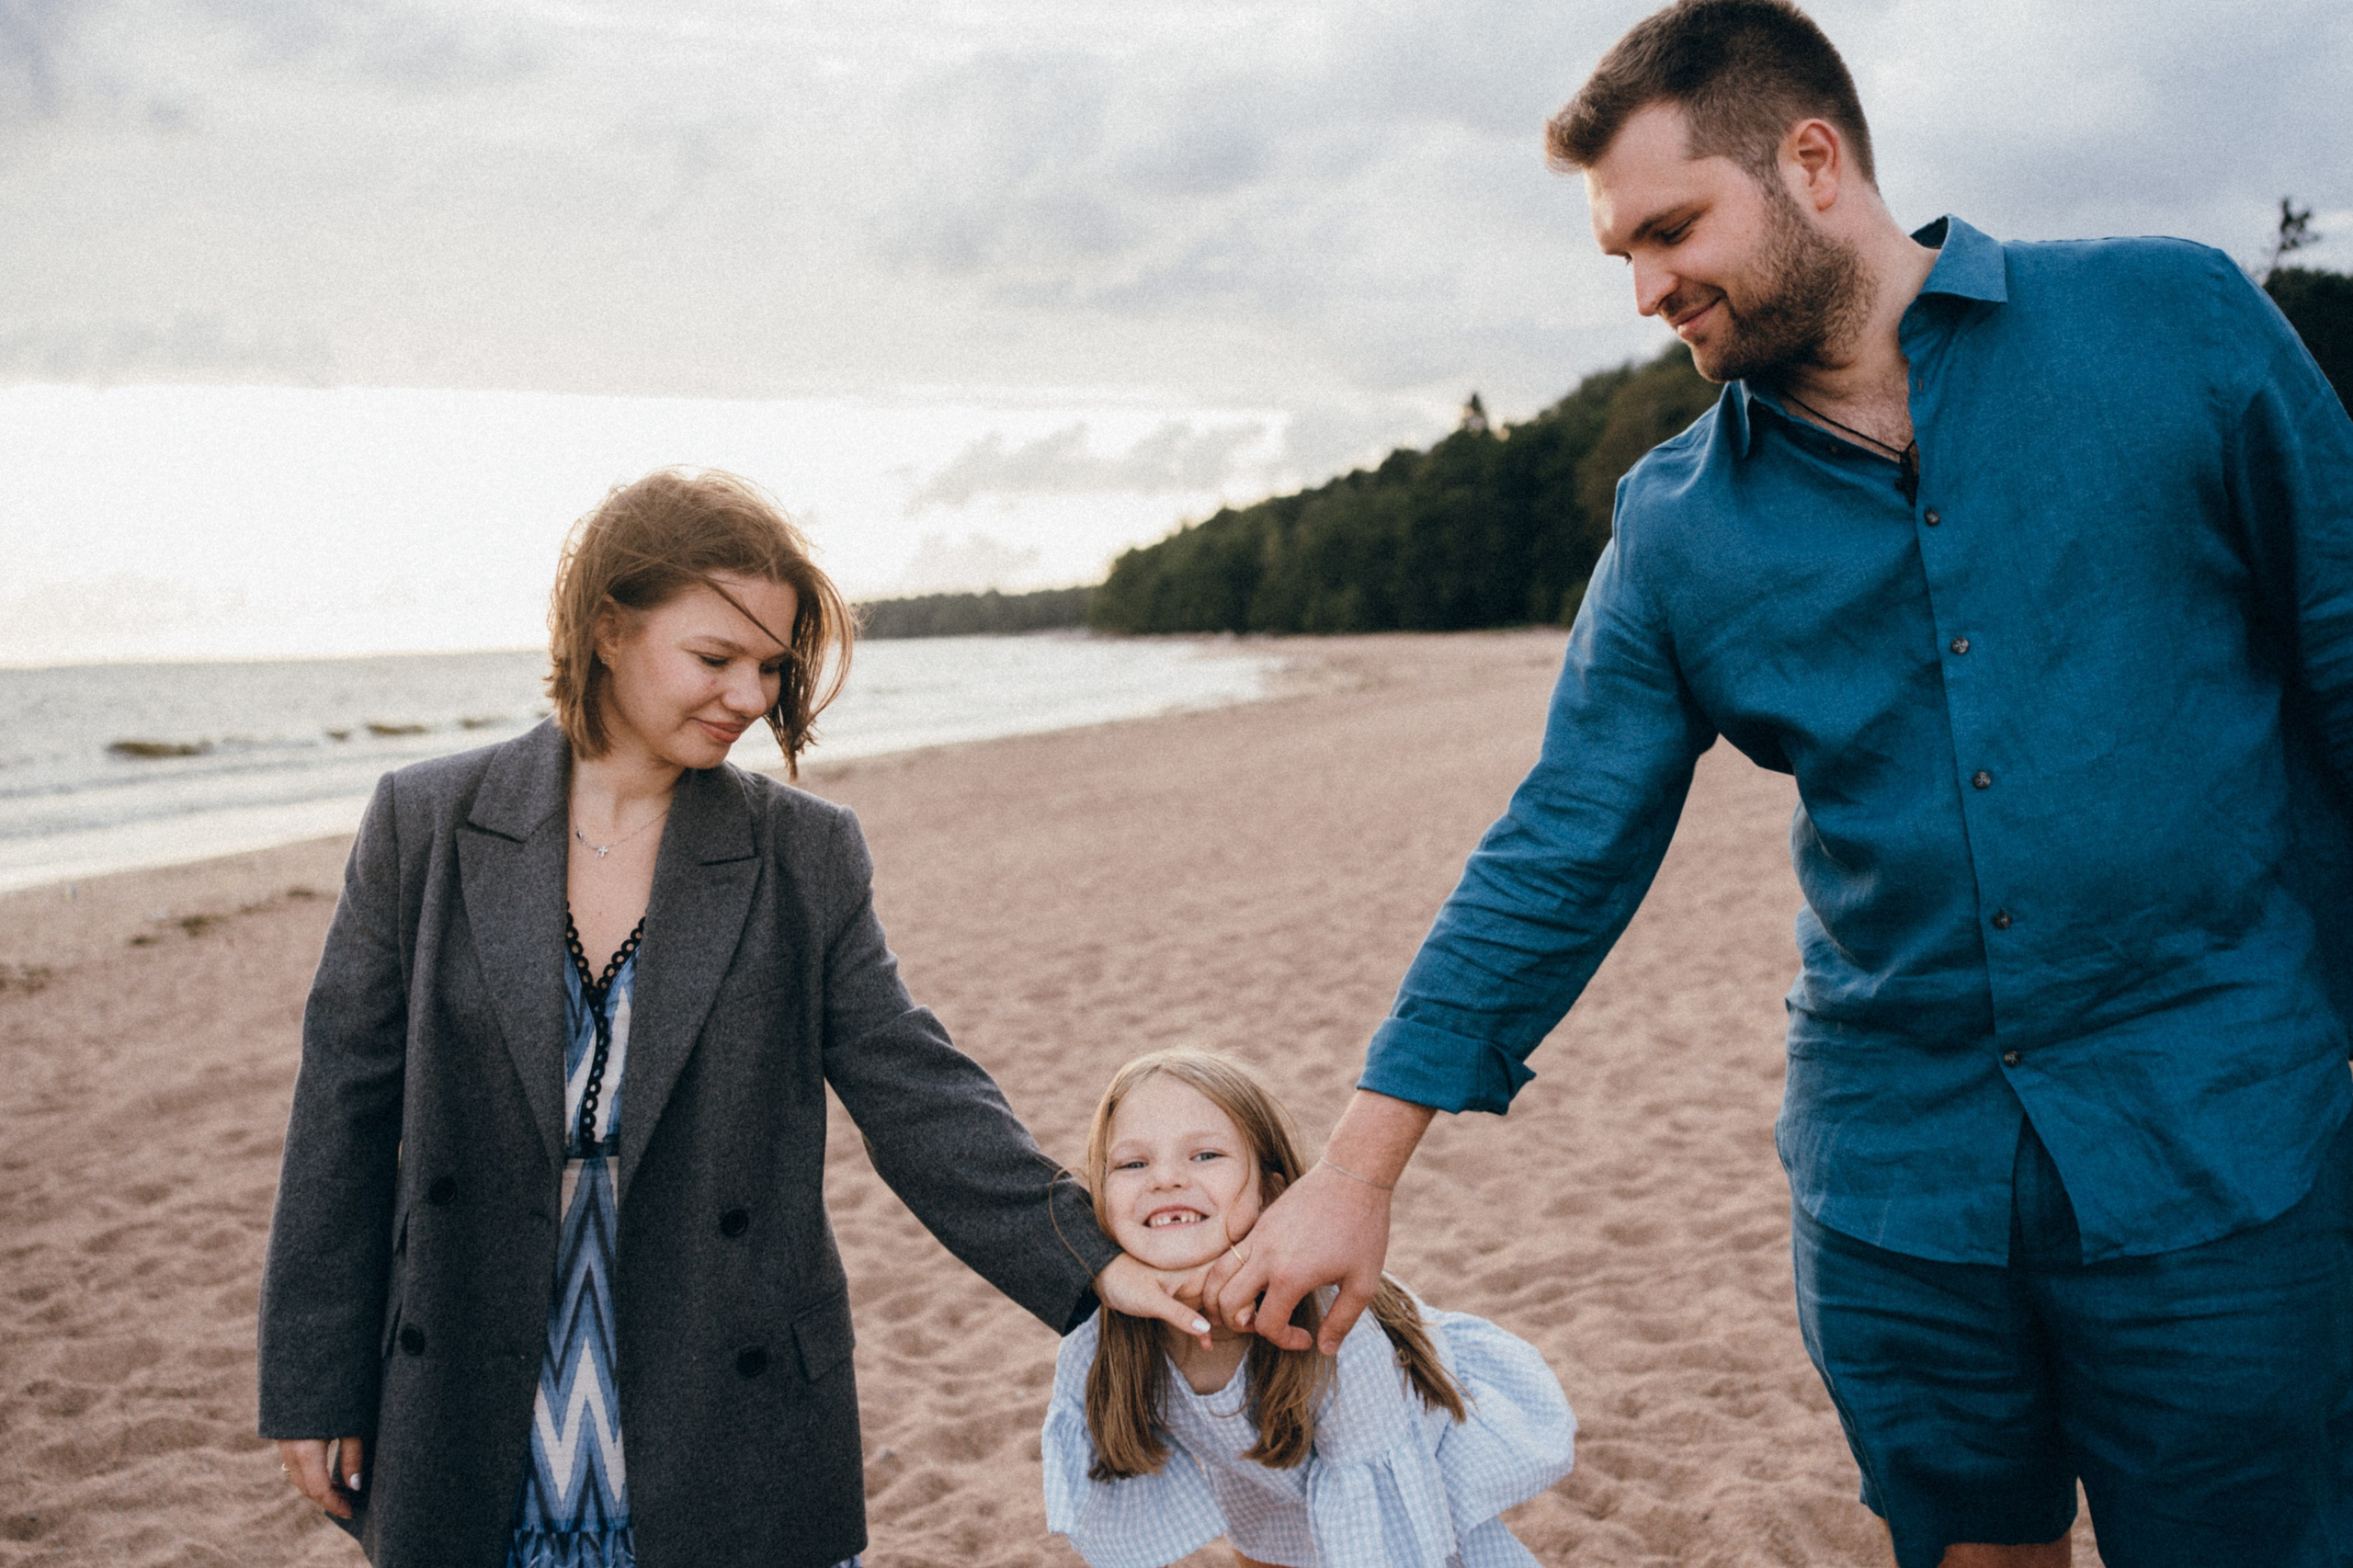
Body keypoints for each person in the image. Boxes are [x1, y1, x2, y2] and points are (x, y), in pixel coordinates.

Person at [1205, 3, 2353, 1566]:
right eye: (1619, 250)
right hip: (1898, 1187)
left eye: (1671, 229)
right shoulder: (1680, 525)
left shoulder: (2177, 325)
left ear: (1813, 162)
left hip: (2226, 1141)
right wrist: (1354, 1173)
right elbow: (1561, 846)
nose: (1645, 286)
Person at [256, 468, 1207, 1568]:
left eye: (771, 666)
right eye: (716, 658)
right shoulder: (422, 823)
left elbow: (915, 1086)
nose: (752, 696)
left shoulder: (804, 851)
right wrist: (314, 1378)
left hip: (722, 1363)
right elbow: (343, 1112)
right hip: (472, 1363)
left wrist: (1089, 1258)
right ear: (609, 628)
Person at [1042, 1051, 1574, 1568]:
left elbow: (1378, 1527)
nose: (1166, 1179)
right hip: (1265, 1485)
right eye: (1133, 1163)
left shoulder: (1333, 1326)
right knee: (1267, 1526)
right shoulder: (1100, 1332)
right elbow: (1110, 1494)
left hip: (1402, 1491)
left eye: (1205, 1155)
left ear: (1273, 1192)